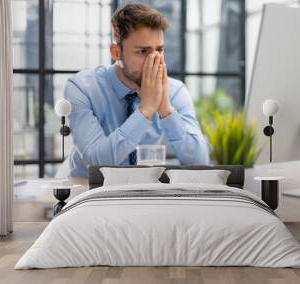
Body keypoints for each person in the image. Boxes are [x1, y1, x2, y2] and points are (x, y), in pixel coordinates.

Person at [64, 3, 209, 177]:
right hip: (89, 191)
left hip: (146, 193)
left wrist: (165, 108)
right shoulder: (82, 88)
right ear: (116, 52)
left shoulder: (175, 91)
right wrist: (145, 110)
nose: (155, 60)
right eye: (143, 52)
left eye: (159, 50)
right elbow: (96, 164)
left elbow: (200, 163)